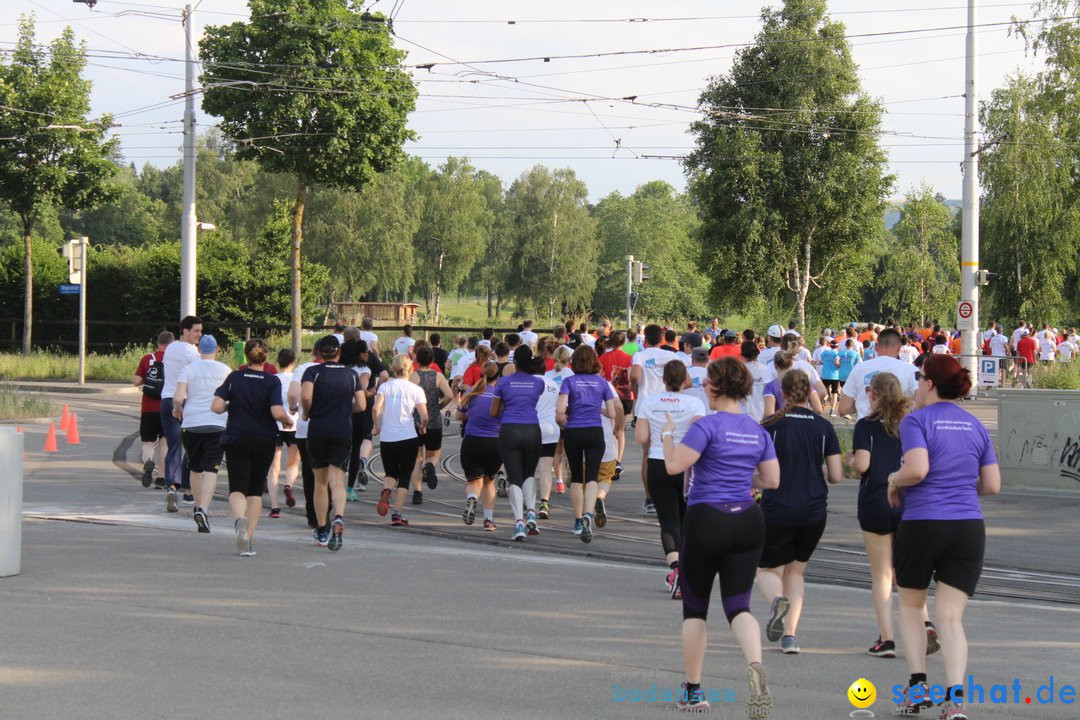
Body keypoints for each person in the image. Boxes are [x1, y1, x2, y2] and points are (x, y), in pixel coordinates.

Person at [659, 357, 780, 713]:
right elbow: (772, 480)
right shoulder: (759, 430)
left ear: (715, 386)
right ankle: (755, 665)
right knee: (738, 606)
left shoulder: (707, 427)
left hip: (707, 519)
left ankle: (694, 690)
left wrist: (666, 434)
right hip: (747, 519)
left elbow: (673, 466)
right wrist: (744, 479)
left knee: (695, 610)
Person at [887, 355, 1001, 719]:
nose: (916, 385)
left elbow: (917, 469)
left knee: (910, 606)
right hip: (968, 526)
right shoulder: (975, 424)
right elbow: (992, 485)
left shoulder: (915, 421)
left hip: (923, 524)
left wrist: (893, 479)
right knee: (950, 618)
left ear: (930, 383)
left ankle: (917, 686)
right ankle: (955, 702)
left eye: (920, 378)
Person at [846, 372, 938, 659]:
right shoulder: (912, 424)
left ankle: (886, 639)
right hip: (908, 501)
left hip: (875, 500)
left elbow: (862, 464)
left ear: (872, 394)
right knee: (910, 572)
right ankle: (925, 623)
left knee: (882, 575)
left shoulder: (865, 426)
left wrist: (848, 459)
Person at [756, 370, 843, 655]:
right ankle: (790, 636)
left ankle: (776, 602)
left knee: (767, 568)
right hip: (814, 509)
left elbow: (758, 470)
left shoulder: (770, 425)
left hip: (778, 506)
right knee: (796, 572)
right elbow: (837, 476)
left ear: (782, 392)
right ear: (810, 393)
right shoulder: (823, 427)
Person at [210, 338, 292, 556]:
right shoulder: (271, 381)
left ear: (246, 356)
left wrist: (230, 404)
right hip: (264, 439)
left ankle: (239, 522)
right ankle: (248, 541)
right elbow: (276, 411)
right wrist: (287, 420)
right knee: (255, 490)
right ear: (266, 357)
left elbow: (216, 406)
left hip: (237, 437)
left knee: (237, 488)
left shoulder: (234, 377)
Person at [635, 361, 705, 598]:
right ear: (685, 379)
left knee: (668, 521)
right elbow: (699, 435)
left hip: (659, 462)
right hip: (687, 465)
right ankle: (687, 572)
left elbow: (640, 436)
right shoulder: (695, 403)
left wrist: (659, 434)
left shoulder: (650, 402)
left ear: (663, 379)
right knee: (688, 521)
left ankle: (675, 570)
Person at [302, 336, 367, 549]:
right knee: (338, 481)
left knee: (320, 482)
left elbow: (305, 397)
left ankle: (322, 529)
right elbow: (362, 404)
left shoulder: (313, 372)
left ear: (320, 352)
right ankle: (339, 516)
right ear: (338, 353)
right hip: (342, 430)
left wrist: (307, 412)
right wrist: (349, 410)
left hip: (319, 429)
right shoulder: (351, 375)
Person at [556, 346, 620, 544]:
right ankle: (588, 516)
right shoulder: (602, 383)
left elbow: (560, 412)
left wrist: (565, 424)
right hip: (594, 432)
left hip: (574, 431)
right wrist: (596, 409)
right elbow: (612, 413)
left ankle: (577, 520)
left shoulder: (568, 382)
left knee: (576, 477)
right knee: (592, 477)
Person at [171, 333, 231, 533]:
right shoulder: (225, 371)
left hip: (192, 424)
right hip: (217, 423)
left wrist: (177, 410)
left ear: (199, 350)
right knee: (211, 469)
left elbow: (179, 397)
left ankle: (197, 505)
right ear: (217, 349)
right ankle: (204, 509)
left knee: (195, 467)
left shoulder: (188, 369)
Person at [490, 346, 546, 541]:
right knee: (529, 473)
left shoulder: (503, 382)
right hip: (532, 429)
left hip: (510, 430)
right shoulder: (538, 383)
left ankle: (519, 524)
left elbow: (494, 413)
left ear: (515, 362)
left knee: (514, 477)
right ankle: (531, 511)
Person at [372, 354, 428, 526]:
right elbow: (424, 416)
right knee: (404, 477)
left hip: (388, 437)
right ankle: (397, 515)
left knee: (390, 473)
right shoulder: (416, 390)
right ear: (411, 369)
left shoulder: (385, 387)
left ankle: (387, 489)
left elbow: (376, 408)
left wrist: (377, 426)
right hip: (408, 437)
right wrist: (422, 427)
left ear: (393, 369)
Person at [160, 315, 202, 512]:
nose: (199, 335)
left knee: (174, 446)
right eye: (196, 331)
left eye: (200, 332)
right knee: (192, 446)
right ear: (185, 331)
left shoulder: (170, 348)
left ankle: (171, 487)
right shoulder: (192, 353)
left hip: (167, 400)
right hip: (185, 400)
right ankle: (188, 490)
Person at [631, 324, 673, 516]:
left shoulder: (640, 355)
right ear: (662, 338)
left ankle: (650, 499)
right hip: (667, 408)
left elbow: (636, 375)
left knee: (648, 454)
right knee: (669, 451)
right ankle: (669, 495)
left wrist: (633, 385)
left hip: (645, 409)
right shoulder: (672, 356)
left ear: (645, 339)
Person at [457, 362, 502, 531]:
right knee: (489, 482)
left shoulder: (471, 392)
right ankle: (489, 521)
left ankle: (472, 497)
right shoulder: (500, 395)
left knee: (474, 481)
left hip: (472, 441)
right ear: (497, 377)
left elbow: (458, 414)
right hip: (494, 442)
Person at [837, 328, 918, 420]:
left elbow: (843, 409)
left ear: (876, 346)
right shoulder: (911, 370)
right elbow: (921, 404)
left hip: (866, 428)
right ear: (899, 347)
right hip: (898, 428)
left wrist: (862, 403)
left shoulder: (859, 368)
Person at [408, 345, 454, 504]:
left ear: (416, 359)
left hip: (416, 421)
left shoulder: (412, 376)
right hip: (434, 421)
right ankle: (431, 466)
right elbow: (449, 395)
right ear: (432, 360)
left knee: (416, 458)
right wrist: (440, 405)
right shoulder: (439, 376)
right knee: (433, 455)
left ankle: (417, 492)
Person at [133, 331, 172, 489]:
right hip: (166, 407)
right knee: (164, 444)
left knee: (149, 442)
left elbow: (136, 381)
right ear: (171, 345)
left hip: (148, 408)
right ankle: (161, 478)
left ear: (158, 343)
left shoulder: (147, 359)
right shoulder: (173, 360)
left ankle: (149, 462)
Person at [267, 349, 301, 518]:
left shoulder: (272, 379)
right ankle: (288, 484)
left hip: (274, 424)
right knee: (293, 462)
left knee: (274, 467)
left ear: (278, 362)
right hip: (294, 425)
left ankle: (274, 507)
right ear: (293, 362)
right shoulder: (297, 379)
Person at [819, 340, 840, 415]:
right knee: (834, 393)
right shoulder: (838, 353)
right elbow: (837, 363)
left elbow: (821, 361)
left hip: (825, 375)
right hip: (834, 375)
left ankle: (823, 400)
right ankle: (832, 410)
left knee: (824, 391)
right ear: (837, 346)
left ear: (830, 345)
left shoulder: (825, 353)